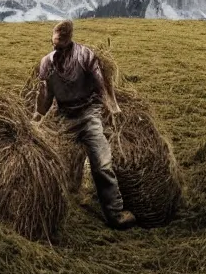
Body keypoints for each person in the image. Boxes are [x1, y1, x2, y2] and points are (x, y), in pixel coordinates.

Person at [33, 19, 137, 229]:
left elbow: (101, 85)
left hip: (89, 114)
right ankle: (51, 213)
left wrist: (112, 107)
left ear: (70, 41)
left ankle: (115, 214)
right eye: (54, 46)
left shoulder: (85, 56)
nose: (57, 51)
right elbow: (45, 94)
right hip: (64, 116)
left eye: (61, 47)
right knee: (51, 162)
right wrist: (37, 116)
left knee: (101, 164)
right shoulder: (47, 62)